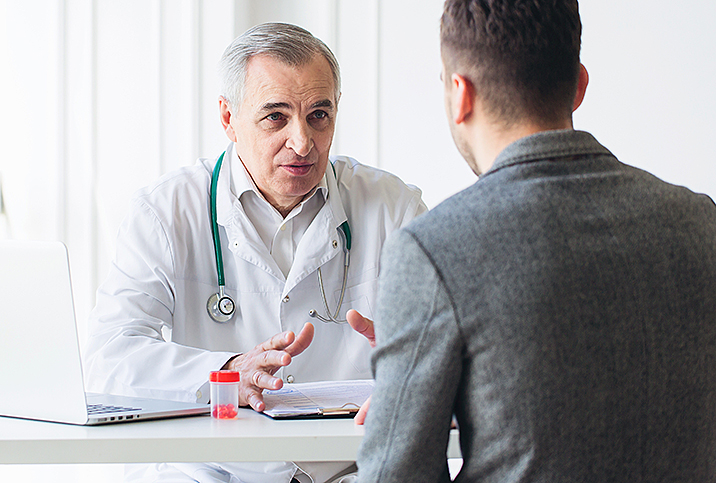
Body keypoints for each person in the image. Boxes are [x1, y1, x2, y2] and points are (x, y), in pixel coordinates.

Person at [355, 0, 716, 482]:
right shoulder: (701, 221)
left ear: (460, 94)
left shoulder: (433, 250)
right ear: (579, 85)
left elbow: (392, 476)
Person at [84, 22, 427, 483]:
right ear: (228, 118)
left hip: (348, 470)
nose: (302, 142)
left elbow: (453, 349)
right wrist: (227, 373)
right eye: (275, 116)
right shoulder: (165, 212)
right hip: (211, 470)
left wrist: (417, 357)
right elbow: (107, 357)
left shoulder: (394, 208)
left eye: (319, 115)